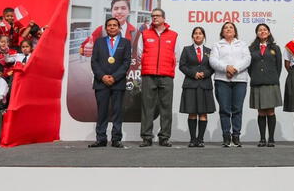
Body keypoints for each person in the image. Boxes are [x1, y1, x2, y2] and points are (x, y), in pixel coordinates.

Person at [137, 8, 178, 147]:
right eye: (153, 16)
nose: (155, 18)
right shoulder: (144, 34)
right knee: (147, 107)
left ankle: (164, 137)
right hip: (149, 75)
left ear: (164, 18)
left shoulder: (173, 35)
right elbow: (139, 53)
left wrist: (167, 68)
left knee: (166, 107)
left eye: (157, 16)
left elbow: (176, 55)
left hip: (166, 76)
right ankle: (147, 137)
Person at [89, 17, 132, 148]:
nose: (112, 27)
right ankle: (101, 138)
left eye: (114, 25)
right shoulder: (99, 42)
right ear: (106, 28)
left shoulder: (125, 42)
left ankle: (116, 139)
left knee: (117, 112)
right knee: (102, 112)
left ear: (119, 28)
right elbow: (94, 62)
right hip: (101, 83)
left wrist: (114, 77)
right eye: (109, 25)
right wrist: (102, 77)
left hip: (117, 82)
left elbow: (126, 62)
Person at [210, 22, 251, 147]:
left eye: (231, 27)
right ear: (222, 32)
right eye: (225, 28)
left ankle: (236, 136)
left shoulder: (242, 44)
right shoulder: (217, 45)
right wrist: (226, 68)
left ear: (235, 31)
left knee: (237, 109)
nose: (228, 29)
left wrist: (235, 69)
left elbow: (247, 59)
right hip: (222, 80)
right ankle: (226, 136)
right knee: (225, 109)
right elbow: (213, 60)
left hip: (240, 80)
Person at [178, 27, 215, 147]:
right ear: (192, 36)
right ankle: (193, 139)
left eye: (200, 33)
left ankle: (201, 139)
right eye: (195, 33)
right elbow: (182, 66)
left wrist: (205, 73)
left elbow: (212, 67)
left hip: (205, 85)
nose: (198, 35)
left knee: (203, 113)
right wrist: (193, 74)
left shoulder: (210, 51)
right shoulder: (187, 50)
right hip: (191, 84)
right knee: (192, 112)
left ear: (204, 36)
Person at [248, 24, 282, 147]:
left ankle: (271, 138)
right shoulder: (251, 48)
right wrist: (257, 76)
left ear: (268, 32)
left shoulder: (275, 48)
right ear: (257, 33)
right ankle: (262, 138)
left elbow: (279, 67)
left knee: (270, 111)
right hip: (257, 82)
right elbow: (249, 67)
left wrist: (272, 78)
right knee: (261, 112)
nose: (262, 32)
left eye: (265, 30)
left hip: (271, 82)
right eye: (260, 30)